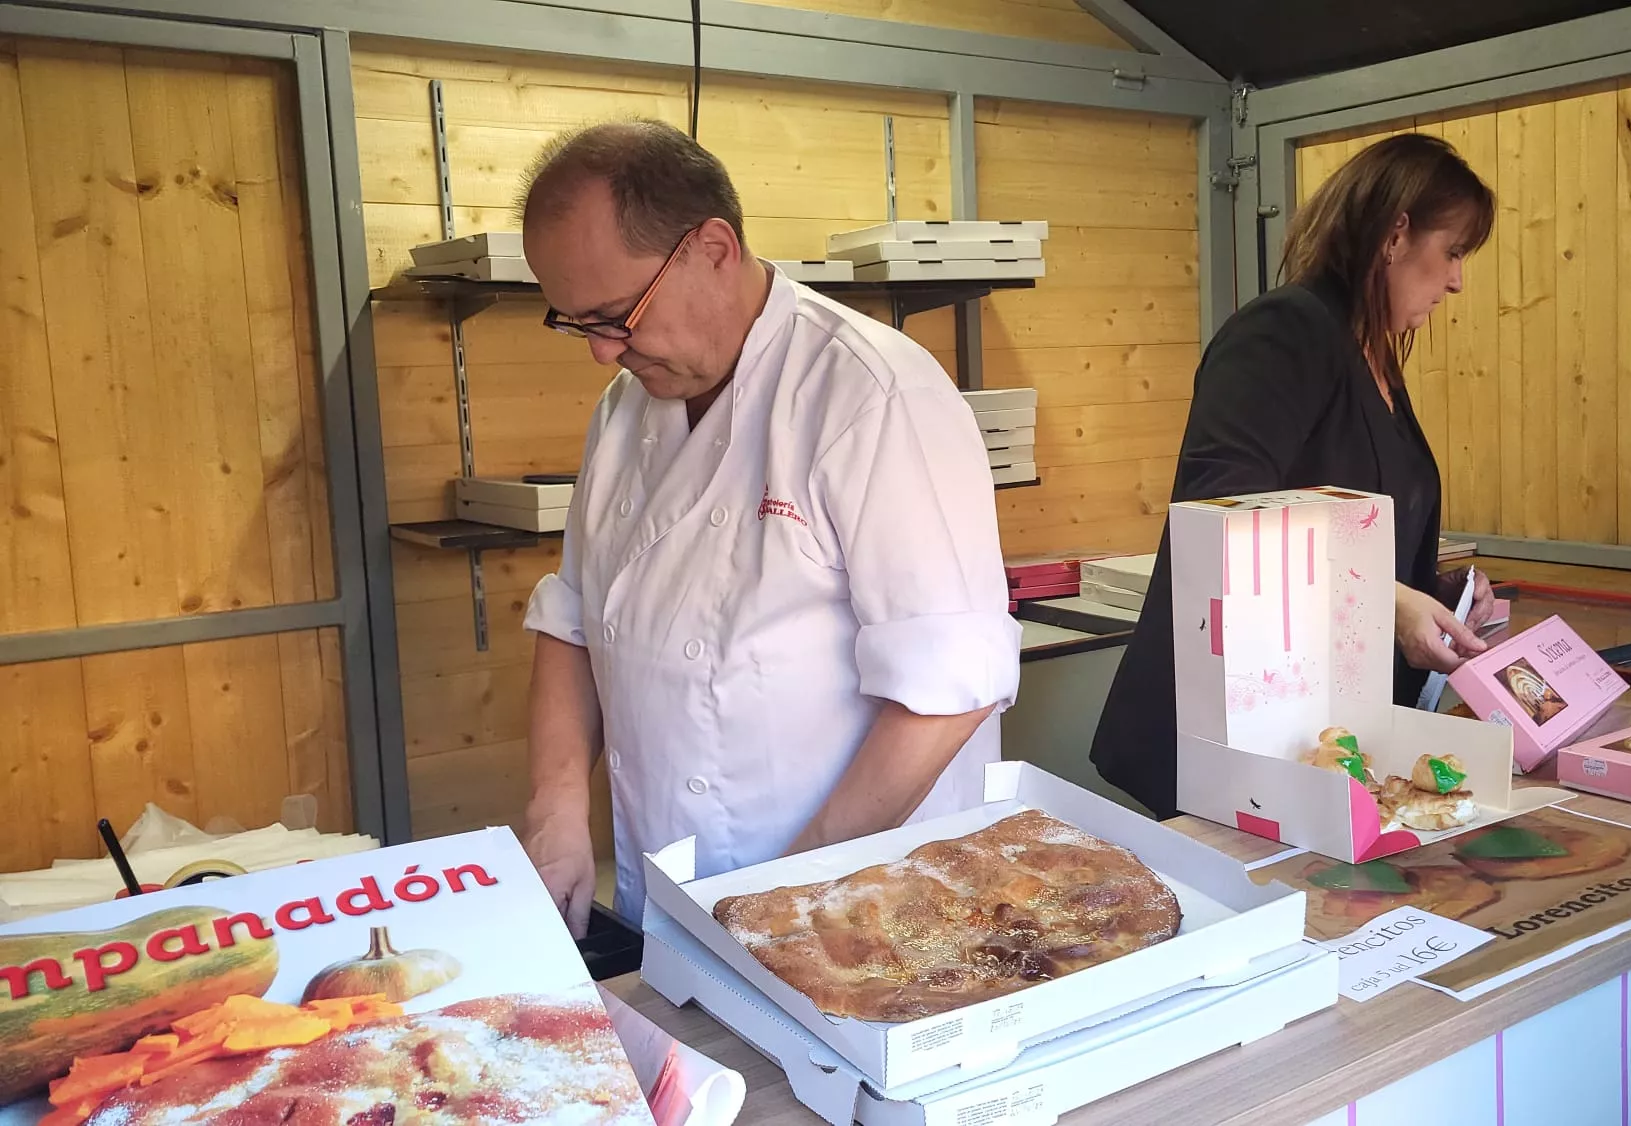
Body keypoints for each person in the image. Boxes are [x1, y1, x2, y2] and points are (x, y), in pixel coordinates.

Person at [515, 120, 1021, 934]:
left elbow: (948, 692)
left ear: (712, 248)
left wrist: (790, 901)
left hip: (861, 905)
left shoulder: (871, 395)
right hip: (677, 893)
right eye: (577, 323)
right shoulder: (623, 413)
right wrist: (557, 811)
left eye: (616, 316)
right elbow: (574, 620)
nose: (602, 355)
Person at [1090, 133, 1500, 819]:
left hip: (1319, 731)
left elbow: (1357, 526)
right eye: (1452, 250)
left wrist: (1436, 593)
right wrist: (1385, 600)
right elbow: (1220, 516)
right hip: (1234, 730)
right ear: (1396, 234)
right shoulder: (1285, 332)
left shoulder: (1372, 357)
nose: (1457, 279)